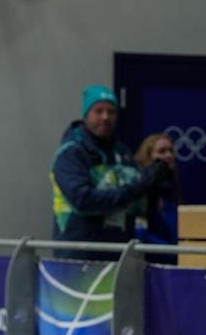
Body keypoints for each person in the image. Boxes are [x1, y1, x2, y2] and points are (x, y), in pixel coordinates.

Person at [50, 85, 167, 260]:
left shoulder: (123, 153)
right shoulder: (71, 153)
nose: (105, 117)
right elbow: (83, 200)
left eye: (111, 112)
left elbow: (137, 206)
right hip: (78, 255)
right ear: (86, 115)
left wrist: (153, 186)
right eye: (98, 111)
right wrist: (137, 187)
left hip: (117, 252)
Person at [134, 132, 179, 263]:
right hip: (155, 262)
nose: (169, 155)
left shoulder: (171, 188)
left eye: (171, 150)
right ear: (147, 157)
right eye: (161, 151)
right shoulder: (139, 188)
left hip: (174, 259)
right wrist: (174, 254)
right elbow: (140, 233)